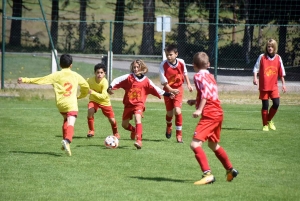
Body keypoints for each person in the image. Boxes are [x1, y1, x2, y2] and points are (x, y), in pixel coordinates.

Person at [17, 54, 89, 156]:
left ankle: (65, 142)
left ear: (60, 65)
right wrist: (81, 96)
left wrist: (25, 80)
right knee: (71, 123)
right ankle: (67, 141)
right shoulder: (76, 75)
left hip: (60, 104)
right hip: (71, 103)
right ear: (71, 65)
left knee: (66, 120)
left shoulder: (56, 75)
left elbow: (41, 80)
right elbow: (86, 86)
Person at [187, 52, 238, 185]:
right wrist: (195, 101)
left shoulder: (198, 76)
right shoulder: (210, 76)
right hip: (218, 112)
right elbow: (210, 93)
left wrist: (199, 109)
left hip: (209, 114)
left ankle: (207, 174)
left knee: (194, 144)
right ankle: (230, 170)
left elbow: (205, 94)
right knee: (213, 144)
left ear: (194, 65)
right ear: (208, 64)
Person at [108, 59, 174, 149]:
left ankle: (139, 140)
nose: (135, 69)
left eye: (137, 67)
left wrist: (167, 94)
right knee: (124, 125)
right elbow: (117, 80)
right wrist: (110, 87)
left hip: (139, 104)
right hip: (128, 105)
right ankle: (135, 131)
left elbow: (156, 89)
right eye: (134, 67)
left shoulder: (146, 81)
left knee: (137, 119)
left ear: (142, 68)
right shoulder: (128, 77)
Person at [159, 44, 193, 143]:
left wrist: (189, 84)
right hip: (167, 90)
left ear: (176, 54)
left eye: (170, 54)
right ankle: (169, 126)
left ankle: (179, 135)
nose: (168, 57)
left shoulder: (181, 62)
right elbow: (164, 82)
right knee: (169, 113)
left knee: (177, 111)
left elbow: (185, 73)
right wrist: (170, 90)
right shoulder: (163, 65)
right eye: (167, 55)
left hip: (178, 89)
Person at [253, 39, 287, 131]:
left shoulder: (278, 58)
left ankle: (269, 120)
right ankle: (265, 125)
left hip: (274, 86)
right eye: (268, 46)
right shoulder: (262, 57)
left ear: (274, 47)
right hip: (264, 86)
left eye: (272, 46)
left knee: (276, 104)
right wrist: (255, 77)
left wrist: (283, 84)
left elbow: (281, 72)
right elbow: (256, 68)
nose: (270, 48)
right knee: (265, 106)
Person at [86, 63, 120, 139]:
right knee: (90, 111)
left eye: (101, 73)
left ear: (104, 73)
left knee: (111, 119)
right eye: (97, 72)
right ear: (95, 73)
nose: (99, 74)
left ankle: (116, 133)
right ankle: (91, 130)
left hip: (104, 102)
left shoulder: (105, 82)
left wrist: (93, 92)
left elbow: (103, 96)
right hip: (94, 100)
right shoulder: (89, 80)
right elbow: (83, 86)